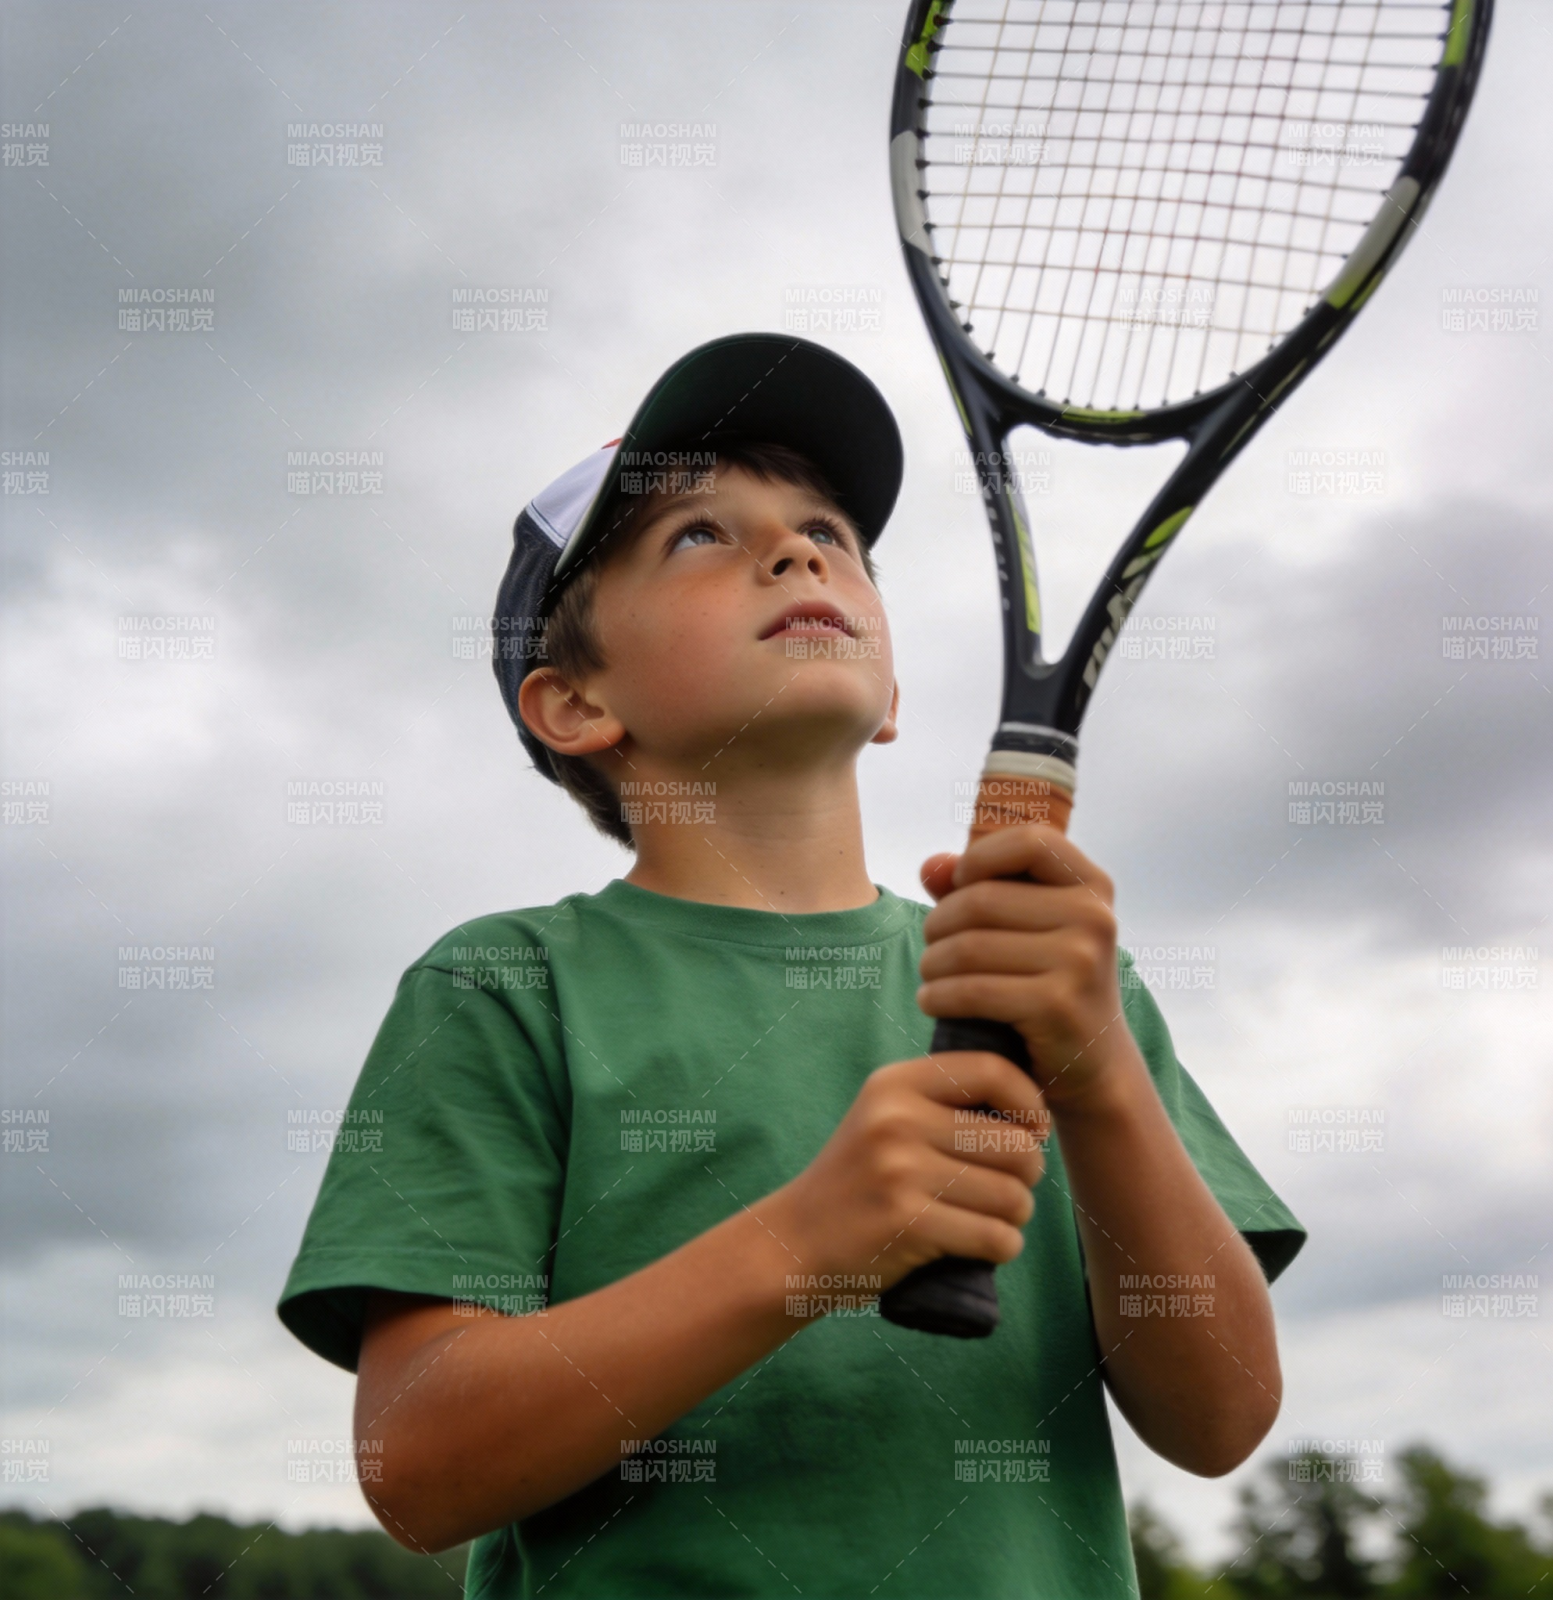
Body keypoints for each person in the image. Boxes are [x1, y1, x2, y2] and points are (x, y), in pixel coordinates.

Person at [277, 332, 1306, 1599]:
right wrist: (810, 1243)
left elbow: (1219, 1421)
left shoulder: (1051, 980)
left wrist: (1095, 1077)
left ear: (888, 693)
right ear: (574, 705)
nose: (797, 548)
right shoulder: (503, 986)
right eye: (699, 534)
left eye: (832, 532)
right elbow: (421, 1465)